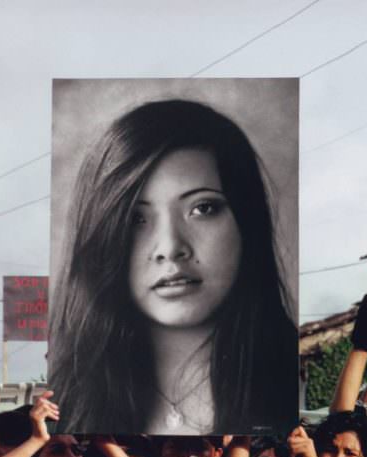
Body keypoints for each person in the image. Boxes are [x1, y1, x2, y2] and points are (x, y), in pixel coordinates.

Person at [49, 99, 294, 434]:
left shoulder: (296, 389)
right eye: (136, 218)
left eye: (203, 208)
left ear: (246, 221)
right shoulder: (56, 412)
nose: (170, 248)